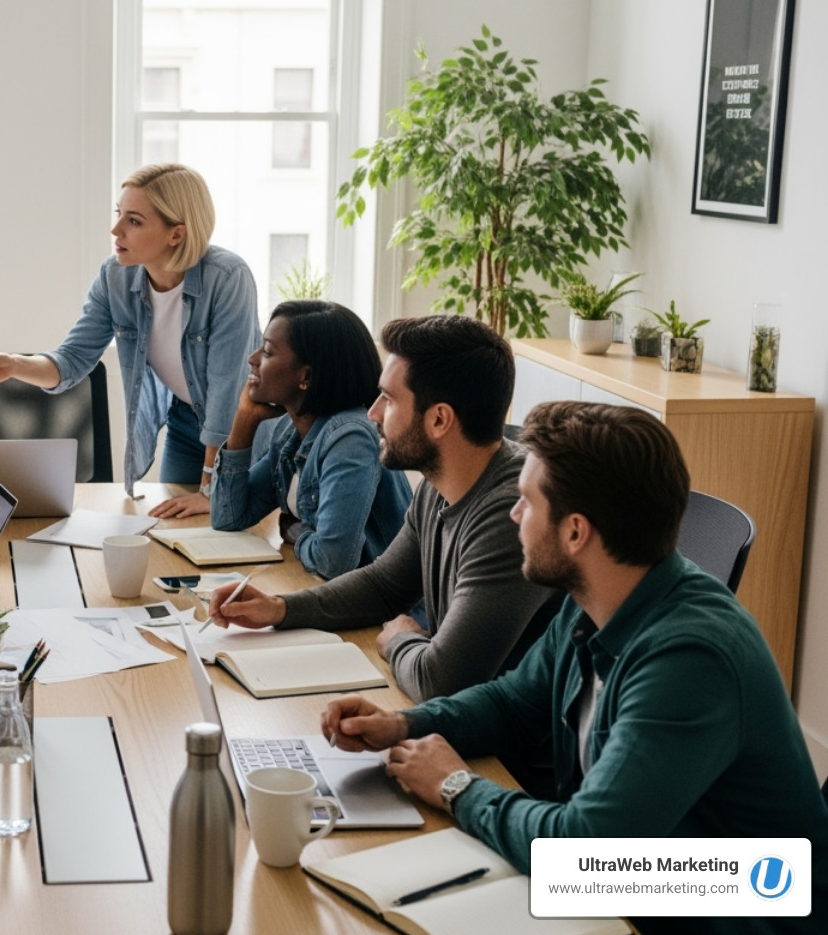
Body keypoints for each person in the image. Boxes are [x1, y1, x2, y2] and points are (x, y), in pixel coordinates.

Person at [320, 401, 827, 935]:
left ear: (576, 532)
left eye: (525, 502)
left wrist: (457, 787)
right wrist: (404, 725)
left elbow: (586, 853)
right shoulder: (594, 596)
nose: (513, 515)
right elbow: (514, 703)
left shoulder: (690, 660)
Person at [208, 314, 559, 704]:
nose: (373, 414)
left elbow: (440, 682)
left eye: (388, 400)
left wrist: (399, 639)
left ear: (439, 419)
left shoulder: (512, 514)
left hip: (505, 757)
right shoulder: (439, 483)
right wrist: (277, 608)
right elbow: (383, 586)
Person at [0, 163, 260, 518]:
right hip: (186, 422)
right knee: (170, 528)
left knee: (227, 530)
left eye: (133, 221)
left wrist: (211, 487)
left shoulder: (227, 278)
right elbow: (72, 359)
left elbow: (228, 390)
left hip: (245, 429)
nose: (115, 229)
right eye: (119, 214)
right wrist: (13, 364)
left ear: (176, 234)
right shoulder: (115, 277)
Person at [209, 300, 411, 578]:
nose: (252, 359)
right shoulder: (290, 433)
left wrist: (297, 532)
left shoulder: (350, 439)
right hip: (327, 593)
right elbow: (228, 518)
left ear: (306, 376)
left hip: (386, 614)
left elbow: (334, 562)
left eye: (267, 351)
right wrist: (245, 419)